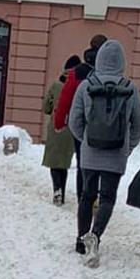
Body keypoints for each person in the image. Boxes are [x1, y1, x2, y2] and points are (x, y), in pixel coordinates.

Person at [67, 37, 140, 268]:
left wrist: (85, 141)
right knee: (107, 198)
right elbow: (139, 125)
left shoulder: (86, 86)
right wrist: (127, 147)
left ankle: (81, 239)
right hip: (116, 153)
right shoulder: (130, 88)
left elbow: (74, 121)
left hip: (90, 152)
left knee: (87, 196)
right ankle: (96, 234)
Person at [55, 34, 109, 205]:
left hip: (81, 123)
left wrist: (60, 122)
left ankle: (84, 198)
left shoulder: (78, 72)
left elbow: (65, 98)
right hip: (105, 124)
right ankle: (97, 196)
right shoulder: (111, 71)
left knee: (82, 162)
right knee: (102, 161)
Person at [42, 55, 79, 204]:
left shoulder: (56, 85)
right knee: (63, 162)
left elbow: (47, 107)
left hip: (56, 127)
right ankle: (62, 192)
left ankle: (57, 189)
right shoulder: (79, 87)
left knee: (54, 162)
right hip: (71, 129)